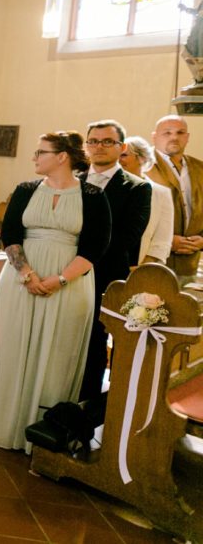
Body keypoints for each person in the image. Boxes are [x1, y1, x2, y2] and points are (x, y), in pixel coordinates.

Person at [0, 132, 110, 452]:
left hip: (71, 284)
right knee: (15, 348)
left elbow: (96, 246)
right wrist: (27, 274)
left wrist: (60, 279)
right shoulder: (25, 191)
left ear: (62, 156)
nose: (35, 157)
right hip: (19, 281)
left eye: (41, 152)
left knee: (57, 355)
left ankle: (43, 434)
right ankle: (5, 424)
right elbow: (9, 235)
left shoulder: (92, 195)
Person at [78, 120, 151, 401]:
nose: (99, 146)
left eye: (107, 141)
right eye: (93, 141)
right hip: (60, 272)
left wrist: (79, 261)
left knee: (94, 343)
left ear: (121, 147)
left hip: (104, 276)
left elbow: (127, 238)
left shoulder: (137, 188)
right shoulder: (72, 180)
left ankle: (84, 407)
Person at [146, 115, 203, 285]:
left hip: (189, 264)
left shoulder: (200, 168)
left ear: (187, 137)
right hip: (152, 261)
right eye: (167, 133)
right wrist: (166, 240)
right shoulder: (144, 166)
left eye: (180, 132)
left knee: (185, 309)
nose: (174, 137)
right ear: (154, 137)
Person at [119, 136, 174, 265]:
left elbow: (162, 240)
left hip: (140, 267)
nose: (118, 160)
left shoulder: (161, 194)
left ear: (141, 159)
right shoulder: (108, 188)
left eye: (124, 155)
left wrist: (142, 269)